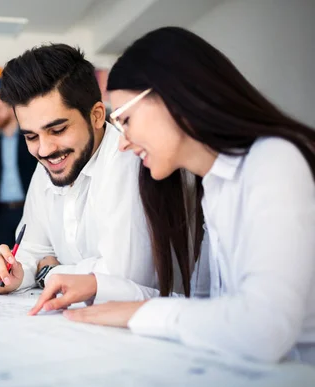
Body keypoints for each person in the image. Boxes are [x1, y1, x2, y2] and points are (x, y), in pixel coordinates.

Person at [30, 27, 315, 364]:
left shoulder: (275, 162)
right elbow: (206, 306)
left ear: (174, 97)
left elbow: (264, 329)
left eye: (126, 120)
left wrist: (142, 312)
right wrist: (99, 288)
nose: (121, 142)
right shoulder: (216, 185)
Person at [0, 44, 167, 297]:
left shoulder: (129, 159)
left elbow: (122, 278)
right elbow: (31, 251)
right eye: (31, 136)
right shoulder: (46, 164)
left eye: (57, 130)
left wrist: (50, 273)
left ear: (97, 116)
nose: (44, 150)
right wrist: (15, 273)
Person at [0, 89, 37, 247]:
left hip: (28, 210)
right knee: (5, 262)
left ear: (12, 109)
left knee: (31, 256)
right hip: (2, 213)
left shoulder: (30, 140)